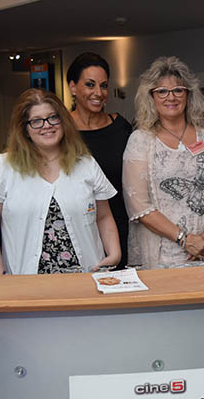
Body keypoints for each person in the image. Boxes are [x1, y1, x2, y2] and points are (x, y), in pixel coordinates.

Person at [0, 89, 121, 275]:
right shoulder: (3, 167)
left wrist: (114, 255)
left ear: (63, 121)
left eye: (53, 117)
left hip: (87, 279)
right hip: (27, 283)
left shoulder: (86, 164)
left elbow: (103, 217)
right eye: (36, 121)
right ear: (25, 129)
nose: (47, 126)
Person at [123, 56, 204, 267]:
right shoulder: (140, 140)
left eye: (178, 90)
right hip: (165, 255)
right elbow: (139, 206)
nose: (171, 97)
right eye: (162, 91)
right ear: (151, 97)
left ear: (188, 94)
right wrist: (185, 239)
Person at [67, 52, 132, 267]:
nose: (98, 93)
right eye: (90, 85)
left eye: (103, 86)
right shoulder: (58, 131)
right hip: (77, 231)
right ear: (73, 87)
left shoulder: (120, 127)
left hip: (121, 227)